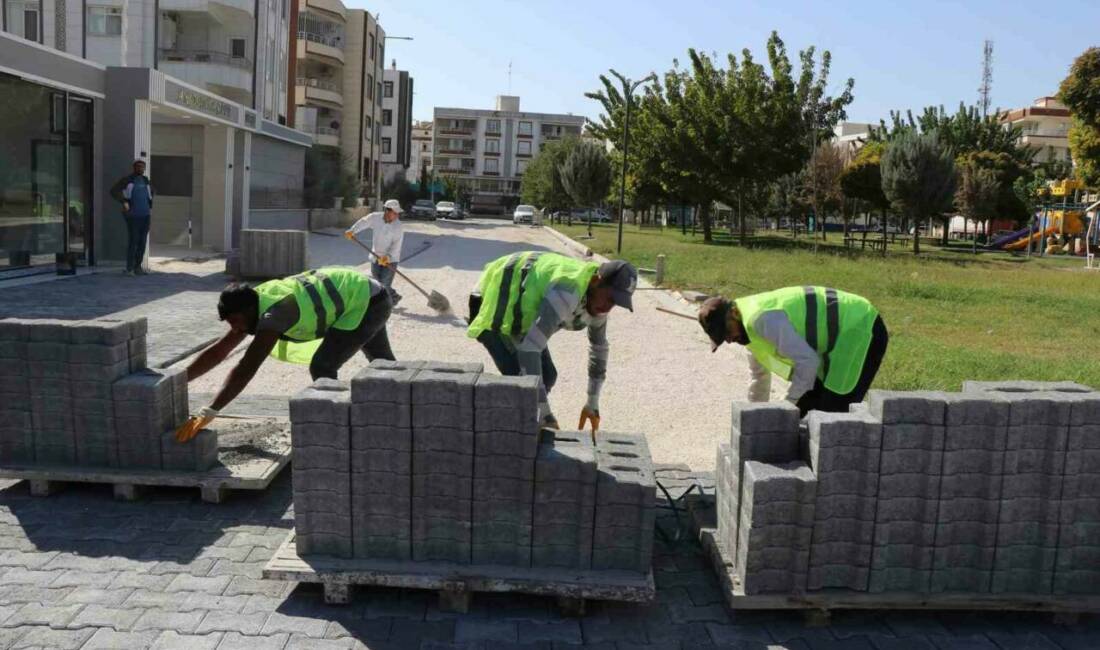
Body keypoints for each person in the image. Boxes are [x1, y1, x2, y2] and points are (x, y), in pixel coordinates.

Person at [175, 266, 395, 440]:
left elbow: (247, 367)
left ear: (249, 311)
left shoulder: (276, 314)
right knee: (383, 363)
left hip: (366, 302)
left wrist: (211, 410)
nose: (235, 329)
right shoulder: (252, 300)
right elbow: (219, 350)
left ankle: (333, 428)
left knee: (322, 366)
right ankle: (398, 411)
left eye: (235, 321)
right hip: (364, 292)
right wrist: (178, 381)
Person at [467, 252, 637, 432]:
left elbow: (599, 348)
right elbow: (529, 349)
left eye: (615, 303)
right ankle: (495, 433)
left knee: (547, 376)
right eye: (610, 298)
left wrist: (592, 403)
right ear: (596, 281)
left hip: (520, 311)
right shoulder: (567, 291)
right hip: (491, 297)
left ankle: (522, 428)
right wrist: (545, 414)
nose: (608, 307)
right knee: (521, 382)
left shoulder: (598, 305)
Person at [697, 287, 888, 416]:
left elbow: (808, 363)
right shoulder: (745, 329)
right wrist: (754, 420)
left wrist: (787, 404)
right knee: (803, 413)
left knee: (832, 415)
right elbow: (759, 378)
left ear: (733, 314)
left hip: (859, 327)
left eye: (726, 332)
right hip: (836, 337)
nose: (728, 339)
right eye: (722, 338)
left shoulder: (761, 320)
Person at [345, 199, 405, 305]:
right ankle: (394, 296)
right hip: (375, 256)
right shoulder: (375, 218)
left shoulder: (398, 226)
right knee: (376, 283)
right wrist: (353, 231)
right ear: (387, 211)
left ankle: (386, 304)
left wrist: (388, 257)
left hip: (391, 260)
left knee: (384, 284)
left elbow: (396, 245)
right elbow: (363, 222)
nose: (397, 215)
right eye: (394, 213)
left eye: (397, 213)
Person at [110, 159, 155, 276]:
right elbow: (113, 191)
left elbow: (151, 193)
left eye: (142, 166)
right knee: (134, 241)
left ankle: (138, 267)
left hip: (145, 216)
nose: (140, 168)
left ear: (144, 168)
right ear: (134, 167)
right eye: (138, 166)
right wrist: (124, 201)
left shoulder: (146, 181)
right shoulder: (127, 180)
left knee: (142, 242)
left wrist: (150, 207)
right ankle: (129, 268)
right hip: (132, 216)